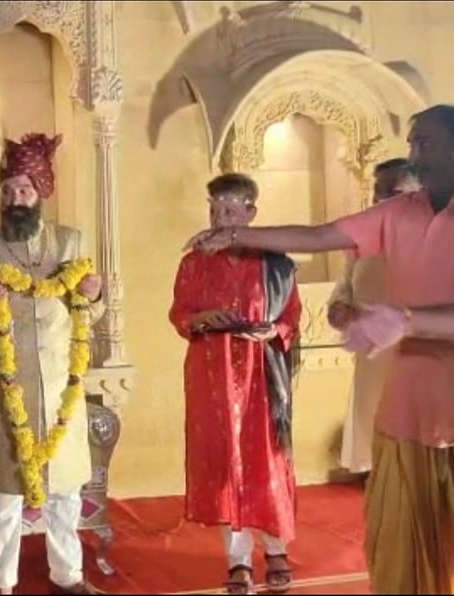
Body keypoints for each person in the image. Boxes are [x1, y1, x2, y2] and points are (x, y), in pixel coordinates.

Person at [184, 104, 454, 594]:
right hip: (406, 410)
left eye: (427, 144)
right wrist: (233, 235)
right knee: (401, 553)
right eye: (412, 143)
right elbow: (319, 235)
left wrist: (408, 321)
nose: (415, 155)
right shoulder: (399, 211)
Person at [0, 133, 105, 595]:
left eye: (24, 189)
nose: (14, 199)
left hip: (62, 390)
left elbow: (90, 313)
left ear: (41, 192)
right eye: (7, 190)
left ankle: (69, 577)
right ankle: (2, 583)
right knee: (3, 496)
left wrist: (94, 295)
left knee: (65, 492)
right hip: (4, 394)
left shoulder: (70, 242)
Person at [169, 173, 302, 595]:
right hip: (212, 374)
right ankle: (238, 560)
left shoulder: (274, 263)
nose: (220, 218)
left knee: (267, 460)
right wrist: (201, 318)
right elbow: (179, 314)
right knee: (225, 463)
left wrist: (273, 330)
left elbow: (292, 317)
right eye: (214, 210)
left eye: (229, 210)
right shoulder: (194, 262)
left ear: (250, 213)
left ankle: (276, 549)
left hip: (262, 374)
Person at [328, 158, 420, 477]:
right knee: (377, 447)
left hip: (419, 360)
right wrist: (340, 307)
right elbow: (345, 286)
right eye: (378, 193)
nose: (383, 201)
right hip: (372, 362)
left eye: (394, 193)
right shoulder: (362, 241)